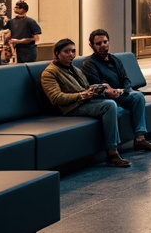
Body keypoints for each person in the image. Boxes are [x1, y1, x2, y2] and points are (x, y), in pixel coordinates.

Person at [41, 39, 131, 167]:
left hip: (84, 102)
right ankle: (112, 152)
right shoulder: (49, 73)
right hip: (70, 107)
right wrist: (82, 95)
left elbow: (85, 87)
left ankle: (118, 145)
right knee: (110, 105)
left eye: (73, 51)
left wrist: (96, 88)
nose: (71, 54)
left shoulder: (74, 69)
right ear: (57, 53)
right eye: (67, 52)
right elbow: (56, 98)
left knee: (118, 107)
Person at [83, 29, 151, 154]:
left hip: (120, 94)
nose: (103, 45)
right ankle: (113, 150)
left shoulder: (115, 59)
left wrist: (123, 90)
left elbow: (126, 79)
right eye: (98, 43)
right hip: (105, 99)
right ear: (92, 46)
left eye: (105, 42)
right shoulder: (89, 64)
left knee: (138, 96)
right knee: (115, 108)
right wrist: (110, 92)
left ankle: (140, 139)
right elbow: (97, 87)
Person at [3, 0, 42, 64]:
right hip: (17, 50)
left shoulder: (30, 21)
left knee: (29, 66)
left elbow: (36, 38)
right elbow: (10, 34)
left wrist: (20, 41)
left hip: (29, 50)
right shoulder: (11, 22)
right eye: (15, 7)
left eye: (19, 7)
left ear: (24, 9)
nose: (16, 8)